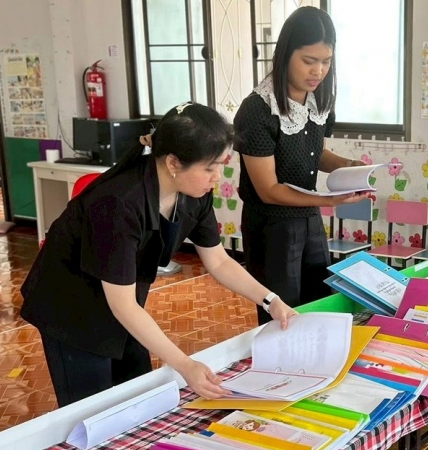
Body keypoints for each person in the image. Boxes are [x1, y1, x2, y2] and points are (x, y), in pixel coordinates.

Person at [21, 102, 294, 407]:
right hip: (72, 309)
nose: (217, 176)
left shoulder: (195, 194)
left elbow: (218, 260)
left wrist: (271, 300)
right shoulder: (119, 203)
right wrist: (185, 365)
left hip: (124, 299)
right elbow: (122, 305)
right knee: (92, 408)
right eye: (209, 167)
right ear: (174, 162)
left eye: (220, 165)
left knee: (137, 397)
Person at [234, 6, 368, 322]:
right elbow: (268, 190)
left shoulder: (318, 99)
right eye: (309, 60)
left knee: (319, 302)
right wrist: (328, 200)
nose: (318, 71)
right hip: (271, 226)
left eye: (326, 61)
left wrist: (351, 167)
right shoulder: (257, 110)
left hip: (309, 218)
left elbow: (314, 153)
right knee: (282, 315)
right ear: (285, 54)